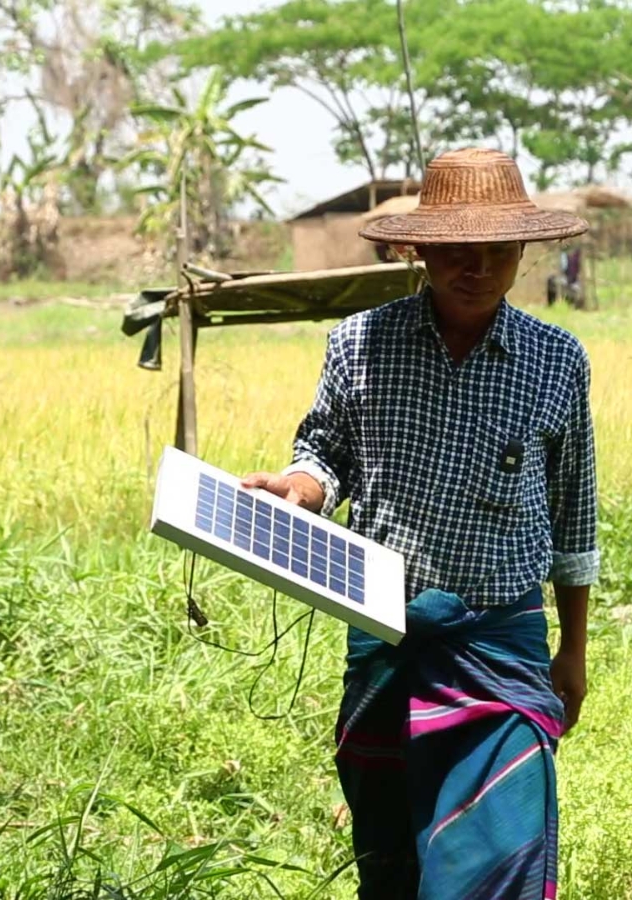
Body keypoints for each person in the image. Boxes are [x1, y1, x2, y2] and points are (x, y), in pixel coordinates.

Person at [242, 147, 599, 900]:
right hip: (386, 636)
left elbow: (575, 516)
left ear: (523, 252)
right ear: (418, 248)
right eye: (457, 251)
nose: (478, 269)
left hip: (500, 647)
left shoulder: (557, 360)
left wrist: (574, 649)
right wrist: (301, 489)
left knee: (497, 854)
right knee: (394, 853)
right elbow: (324, 452)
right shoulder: (358, 344)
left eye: (497, 251)